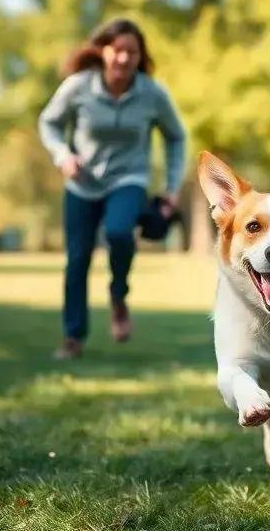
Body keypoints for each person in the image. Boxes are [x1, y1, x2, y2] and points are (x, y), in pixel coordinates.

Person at [39, 18, 186, 359]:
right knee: (77, 260)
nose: (123, 58)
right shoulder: (79, 86)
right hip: (81, 182)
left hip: (128, 179)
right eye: (117, 50)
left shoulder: (152, 93)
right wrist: (63, 155)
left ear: (140, 56)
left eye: (131, 52)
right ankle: (73, 338)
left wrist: (172, 186)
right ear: (103, 51)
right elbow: (49, 122)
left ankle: (118, 295)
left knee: (119, 232)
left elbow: (176, 136)